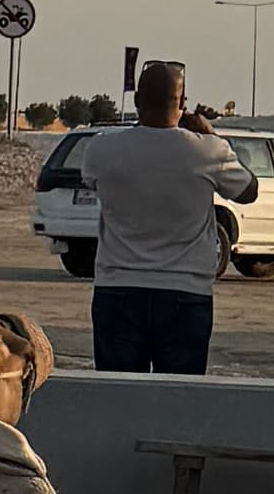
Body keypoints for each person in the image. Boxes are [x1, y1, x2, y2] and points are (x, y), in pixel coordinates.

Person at [78, 60, 229, 375]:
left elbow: (91, 178)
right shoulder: (208, 151)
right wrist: (210, 134)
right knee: (178, 405)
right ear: (183, 104)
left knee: (118, 402)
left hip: (117, 289)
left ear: (136, 102)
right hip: (186, 294)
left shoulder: (102, 149)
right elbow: (249, 191)